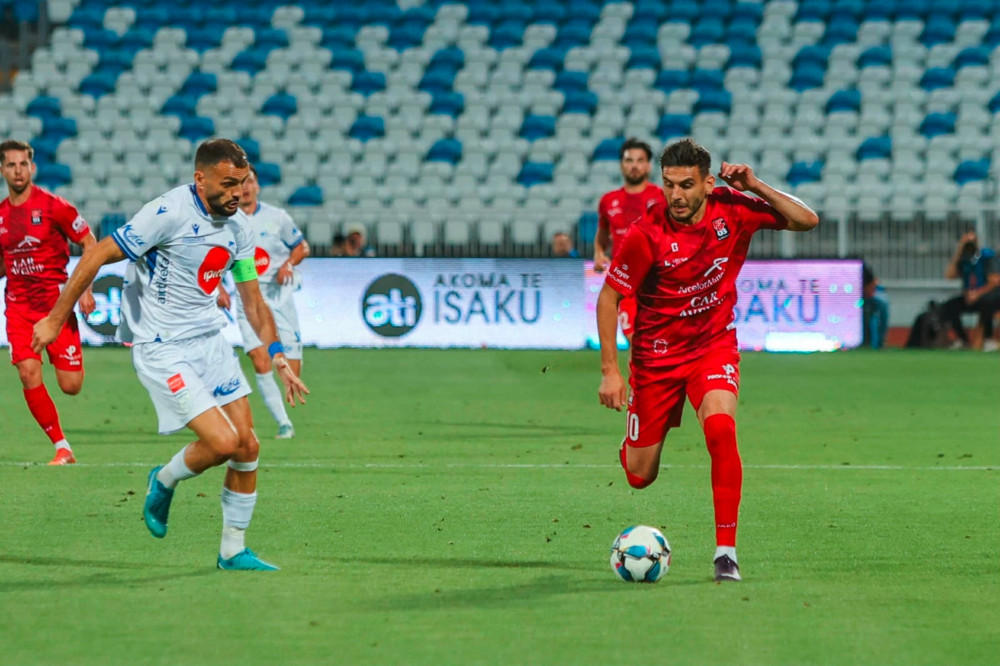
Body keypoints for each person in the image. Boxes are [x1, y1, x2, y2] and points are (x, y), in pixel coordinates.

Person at [32, 139, 309, 570]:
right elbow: (99, 252)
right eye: (228, 183)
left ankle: (232, 551)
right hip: (161, 344)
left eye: (242, 183)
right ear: (201, 179)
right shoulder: (168, 213)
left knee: (248, 446)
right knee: (222, 442)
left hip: (209, 341)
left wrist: (276, 355)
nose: (237, 193)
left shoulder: (239, 229)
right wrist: (54, 318)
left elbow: (252, 301)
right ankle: (162, 480)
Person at [596, 138, 819, 582]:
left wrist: (755, 185)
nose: (675, 195)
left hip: (713, 345)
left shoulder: (732, 208)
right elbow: (609, 296)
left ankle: (726, 554)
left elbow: (806, 219)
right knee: (640, 477)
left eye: (686, 185)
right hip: (656, 359)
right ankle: (633, 445)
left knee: (720, 427)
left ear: (707, 183)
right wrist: (610, 372)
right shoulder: (647, 234)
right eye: (669, 185)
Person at [0, 139, 97, 465]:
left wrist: (84, 288)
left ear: (33, 168)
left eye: (23, 164)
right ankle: (62, 446)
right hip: (17, 307)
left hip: (56, 307)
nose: (17, 170)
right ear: (2, 170)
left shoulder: (55, 206)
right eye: (11, 164)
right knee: (28, 372)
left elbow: (89, 242)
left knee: (71, 385)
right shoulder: (0, 215)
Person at [217, 165, 309, 438]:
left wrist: (288, 265)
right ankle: (284, 423)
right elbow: (214, 258)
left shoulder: (277, 217)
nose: (244, 188)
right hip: (247, 298)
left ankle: (285, 413)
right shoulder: (225, 221)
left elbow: (301, 247)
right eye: (239, 183)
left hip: (278, 297)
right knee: (260, 359)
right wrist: (220, 287)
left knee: (291, 366)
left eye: (250, 182)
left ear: (257, 187)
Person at [594, 137, 666, 342]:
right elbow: (602, 236)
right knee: (637, 344)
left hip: (657, 282)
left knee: (661, 348)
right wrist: (599, 254)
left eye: (640, 160)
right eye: (629, 160)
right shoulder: (608, 201)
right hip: (625, 284)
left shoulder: (662, 197)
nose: (634, 165)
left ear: (648, 165)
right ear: (621, 165)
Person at [940, 231, 1000, 351]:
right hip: (970, 297)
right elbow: (949, 275)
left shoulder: (986, 257)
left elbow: (995, 281)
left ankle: (987, 339)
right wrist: (959, 250)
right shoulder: (964, 259)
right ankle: (963, 339)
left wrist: (978, 293)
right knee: (950, 306)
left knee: (988, 304)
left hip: (987, 296)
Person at [862, 262, 889, 349]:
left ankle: (880, 341)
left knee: (883, 306)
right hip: (858, 300)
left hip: (869, 297)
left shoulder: (865, 270)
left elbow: (874, 283)